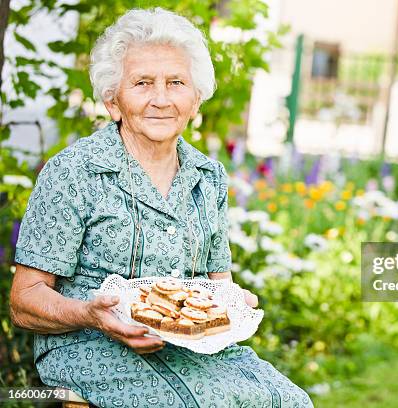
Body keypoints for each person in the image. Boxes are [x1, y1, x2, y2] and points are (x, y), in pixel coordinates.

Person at [9, 7, 313, 407]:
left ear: (195, 99)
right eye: (142, 83)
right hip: (93, 344)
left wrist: (234, 303)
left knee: (291, 402)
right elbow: (24, 301)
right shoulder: (75, 171)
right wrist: (90, 314)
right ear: (113, 101)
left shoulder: (209, 177)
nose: (161, 99)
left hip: (194, 348)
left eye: (176, 82)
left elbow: (218, 285)